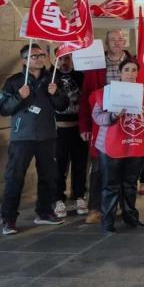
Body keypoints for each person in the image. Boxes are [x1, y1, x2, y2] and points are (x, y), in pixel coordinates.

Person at [0, 43, 69, 235]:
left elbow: (63, 106)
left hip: (47, 136)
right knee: (14, 178)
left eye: (41, 55)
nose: (39, 58)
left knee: (48, 176)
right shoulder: (14, 82)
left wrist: (56, 94)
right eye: (34, 56)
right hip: (22, 137)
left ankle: (44, 213)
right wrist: (19, 97)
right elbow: (2, 108)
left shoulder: (52, 80)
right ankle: (9, 219)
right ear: (25, 60)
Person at [91, 58, 144, 232]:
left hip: (136, 144)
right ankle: (108, 222)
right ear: (120, 72)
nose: (130, 73)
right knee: (110, 185)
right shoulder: (106, 92)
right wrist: (112, 116)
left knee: (130, 184)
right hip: (110, 145)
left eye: (134, 70)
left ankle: (131, 218)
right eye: (126, 69)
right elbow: (97, 117)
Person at [79, 29, 132, 224]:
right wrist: (84, 125)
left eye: (120, 39)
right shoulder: (96, 64)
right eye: (113, 40)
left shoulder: (134, 63)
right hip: (101, 122)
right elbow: (86, 97)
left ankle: (118, 205)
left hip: (127, 124)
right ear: (107, 43)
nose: (117, 43)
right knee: (99, 167)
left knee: (123, 167)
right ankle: (95, 208)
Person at [53, 51, 87, 218]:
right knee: (59, 165)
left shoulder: (81, 76)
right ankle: (58, 198)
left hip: (79, 127)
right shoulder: (51, 76)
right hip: (59, 128)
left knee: (80, 163)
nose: (64, 62)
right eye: (61, 58)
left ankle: (79, 195)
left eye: (67, 58)